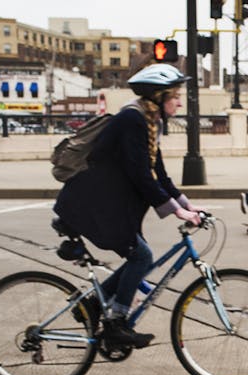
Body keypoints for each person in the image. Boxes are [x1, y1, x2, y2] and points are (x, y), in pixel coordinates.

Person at [53, 64, 201, 349]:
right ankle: (116, 325)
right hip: (93, 205)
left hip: (109, 205)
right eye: (176, 96)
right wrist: (176, 210)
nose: (180, 102)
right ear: (158, 96)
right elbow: (140, 174)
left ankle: (93, 305)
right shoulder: (132, 120)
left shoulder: (148, 122)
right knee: (142, 258)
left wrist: (187, 205)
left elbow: (159, 172)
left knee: (139, 257)